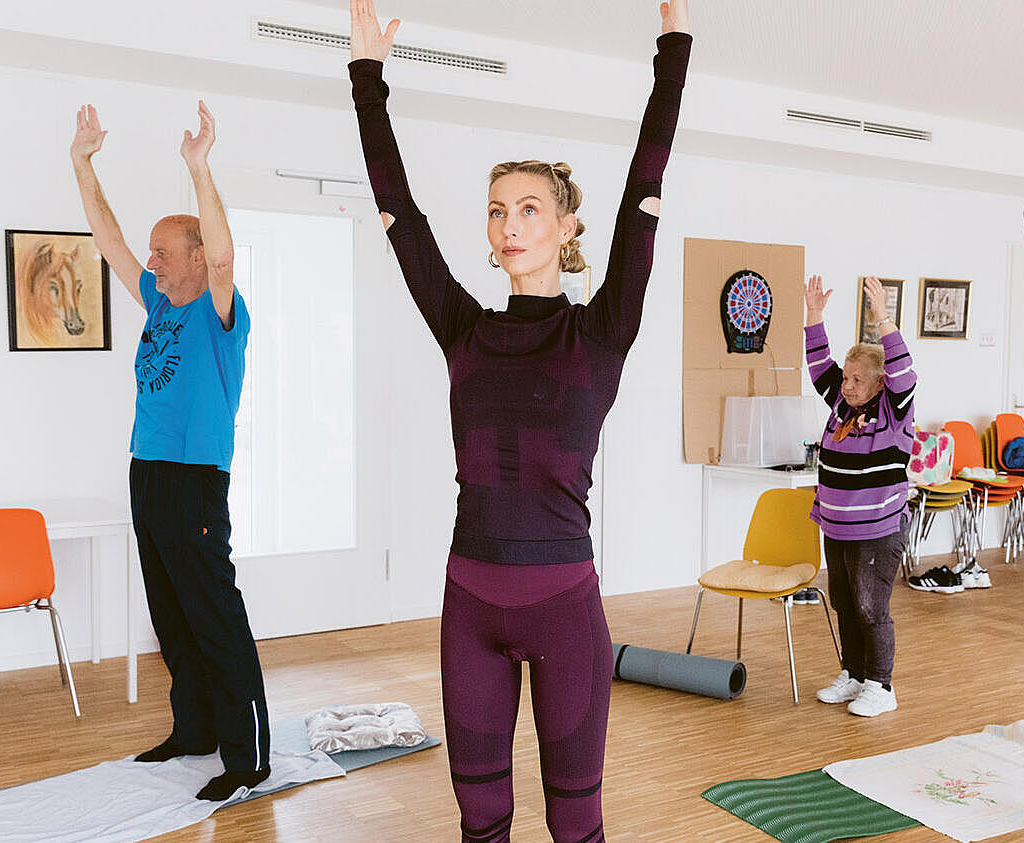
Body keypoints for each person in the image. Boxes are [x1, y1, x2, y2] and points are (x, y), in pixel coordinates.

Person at [346, 1, 690, 839]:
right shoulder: (464, 328)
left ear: (567, 225)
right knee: (481, 822)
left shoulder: (600, 330)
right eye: (498, 210)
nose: (509, 224)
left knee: (576, 824)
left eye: (529, 208)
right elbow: (402, 219)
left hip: (566, 608)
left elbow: (644, 188)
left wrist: (671, 58)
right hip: (470, 603)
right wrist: (368, 83)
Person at [71, 101, 271, 801]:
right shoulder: (158, 301)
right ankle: (195, 730)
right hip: (148, 471)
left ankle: (247, 757)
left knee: (213, 611)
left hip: (195, 479)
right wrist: (82, 162)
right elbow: (108, 236)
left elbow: (223, 252)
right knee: (172, 612)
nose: (150, 261)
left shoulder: (220, 313)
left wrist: (199, 168)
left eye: (163, 251)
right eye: (151, 253)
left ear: (193, 258)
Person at [805, 275, 916, 717]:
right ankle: (854, 675)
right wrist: (814, 316)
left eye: (856, 379)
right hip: (836, 527)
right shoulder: (841, 406)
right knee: (845, 605)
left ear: (878, 383)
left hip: (877, 529)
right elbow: (818, 364)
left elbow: (904, 367)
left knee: (872, 608)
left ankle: (881, 685)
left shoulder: (893, 410)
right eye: (846, 377)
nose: (846, 385)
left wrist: (882, 317)